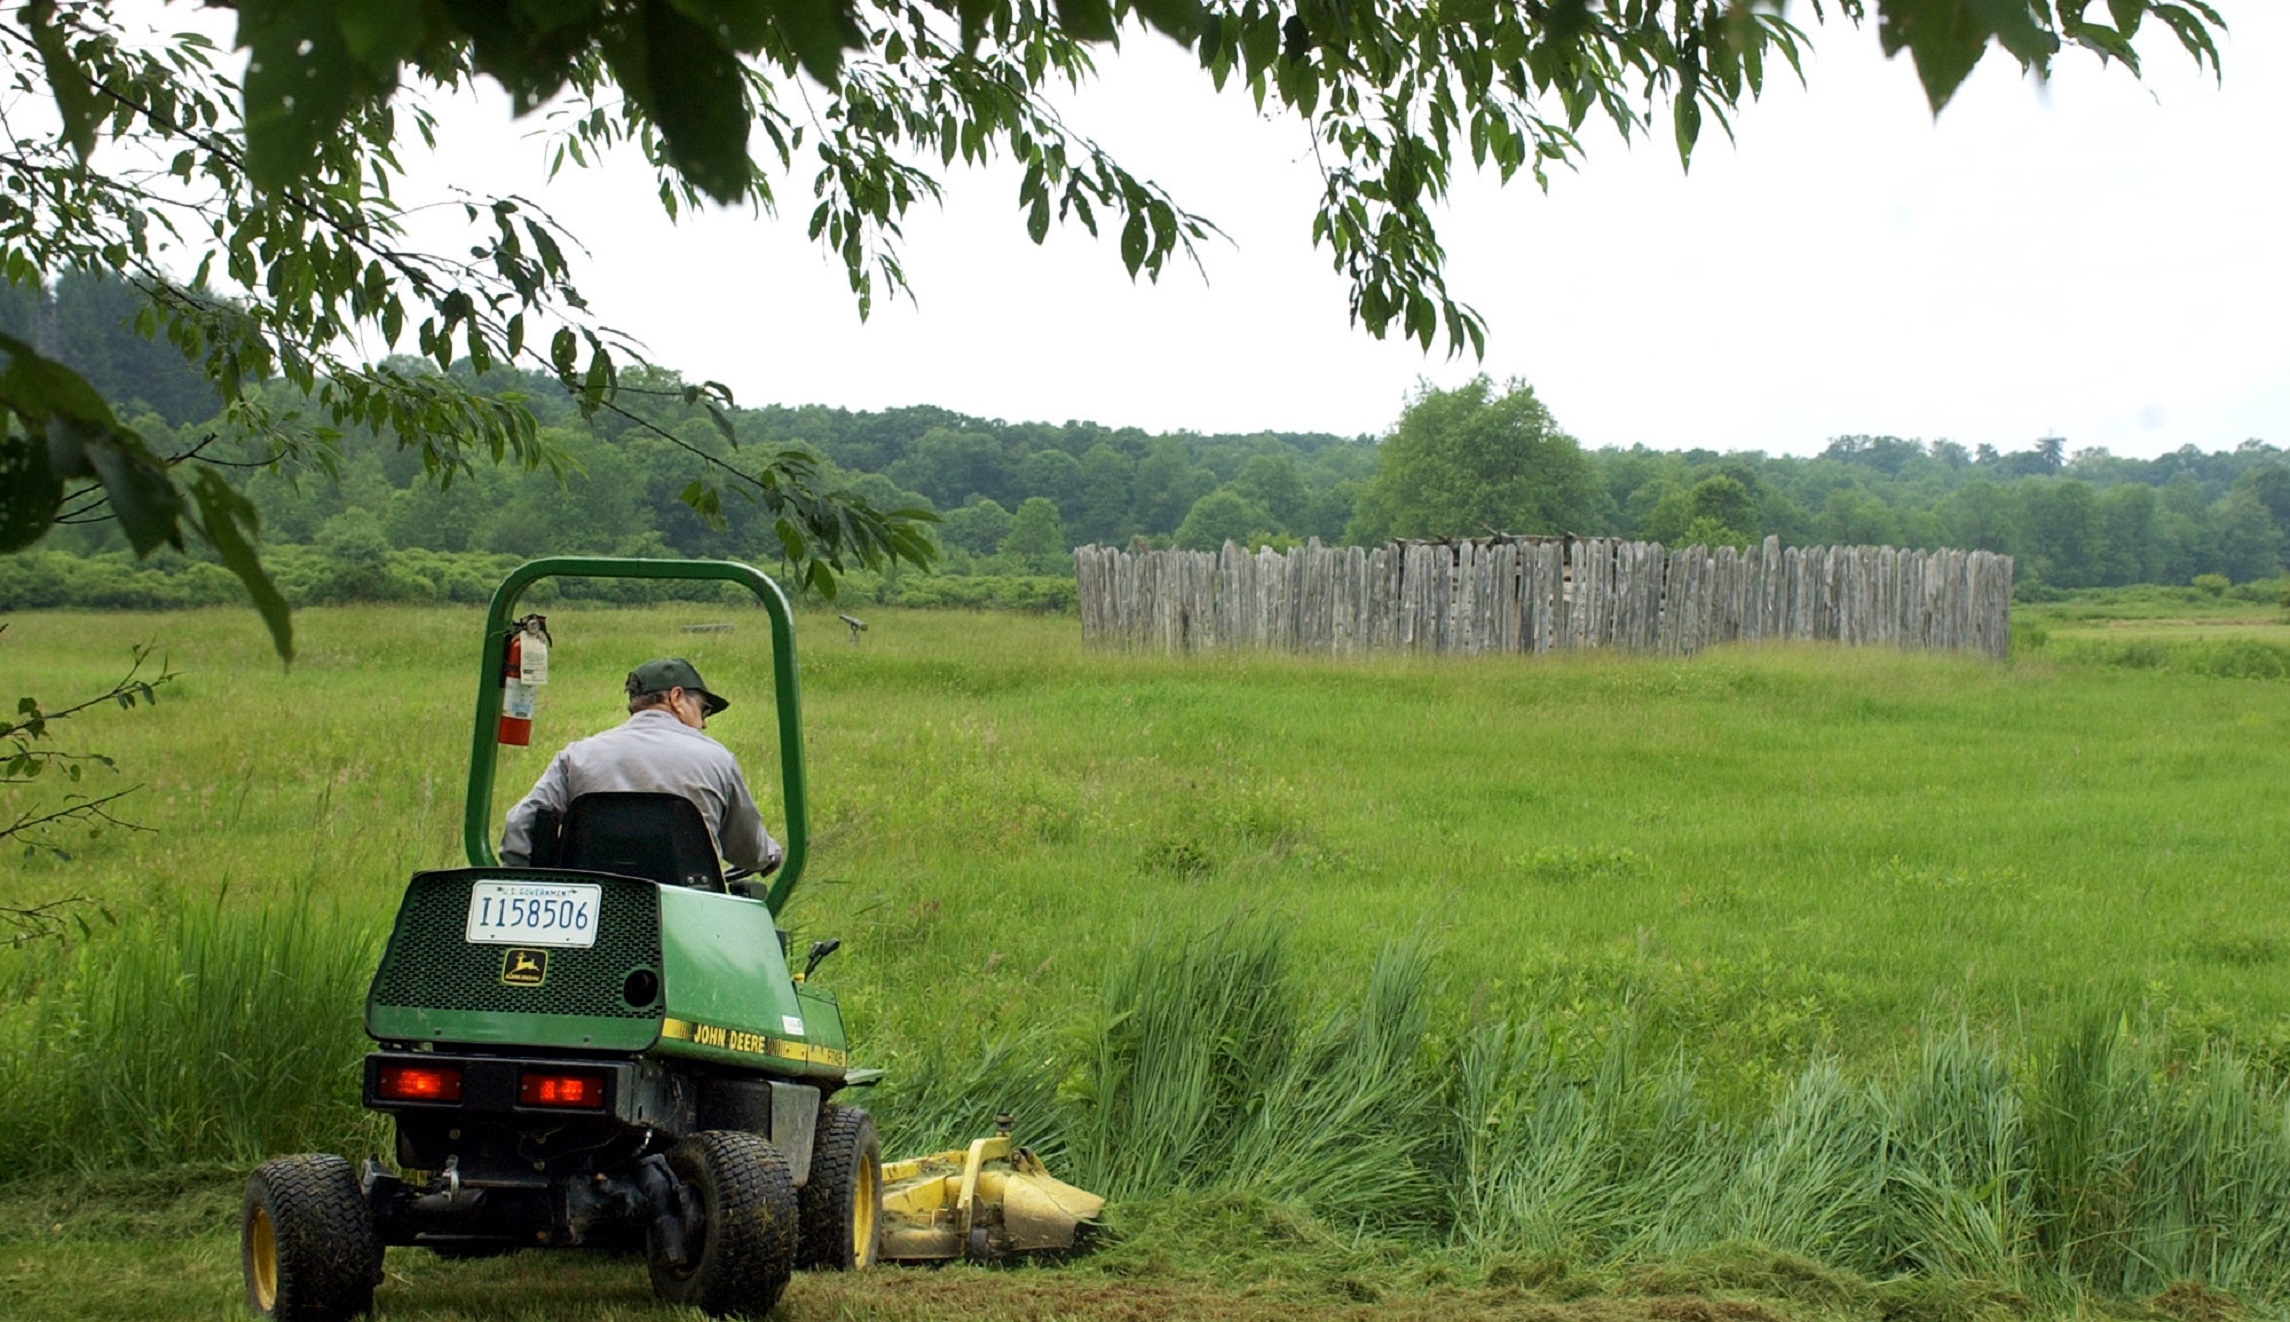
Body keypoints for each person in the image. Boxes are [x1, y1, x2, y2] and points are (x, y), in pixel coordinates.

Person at [500, 657, 781, 873]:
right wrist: (770, 854)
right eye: (704, 709)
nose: (705, 722)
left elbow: (519, 824)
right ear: (676, 697)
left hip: (595, 910)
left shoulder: (577, 756)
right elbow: (749, 851)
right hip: (688, 912)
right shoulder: (717, 759)